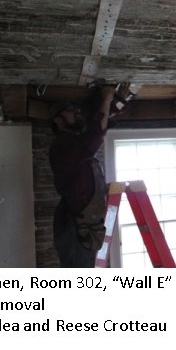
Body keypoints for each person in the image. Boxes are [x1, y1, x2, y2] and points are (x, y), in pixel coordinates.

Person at [48, 83, 132, 268]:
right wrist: (107, 98)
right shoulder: (62, 145)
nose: (76, 112)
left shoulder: (73, 144)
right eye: (69, 110)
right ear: (57, 121)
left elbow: (99, 125)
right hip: (75, 230)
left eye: (76, 109)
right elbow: (95, 134)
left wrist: (116, 101)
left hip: (82, 228)